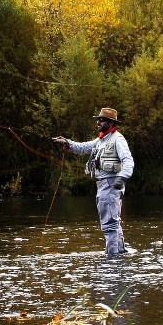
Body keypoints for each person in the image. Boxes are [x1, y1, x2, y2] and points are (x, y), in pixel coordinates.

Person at [54, 107, 134, 255]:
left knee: (109, 224)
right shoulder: (101, 139)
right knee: (113, 223)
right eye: (98, 119)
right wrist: (67, 143)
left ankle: (112, 260)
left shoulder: (118, 139)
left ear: (111, 122)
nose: (98, 122)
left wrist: (122, 179)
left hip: (110, 184)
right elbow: (83, 147)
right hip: (104, 185)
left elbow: (128, 161)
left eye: (101, 119)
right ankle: (119, 254)